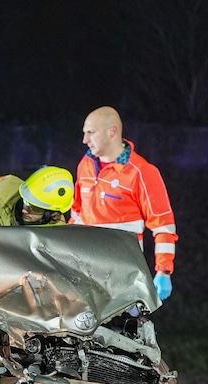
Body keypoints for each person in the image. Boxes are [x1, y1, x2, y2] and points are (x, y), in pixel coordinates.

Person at [71, 106, 177, 300]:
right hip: (85, 271)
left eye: (91, 133)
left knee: (122, 329)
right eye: (84, 133)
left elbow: (163, 225)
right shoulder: (84, 165)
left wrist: (163, 271)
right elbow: (76, 214)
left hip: (123, 276)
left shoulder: (142, 172)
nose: (84, 140)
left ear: (112, 131)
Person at [0, 166, 76, 226]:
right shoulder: (2, 189)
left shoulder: (56, 237)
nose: (24, 209)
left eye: (34, 208)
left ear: (53, 214)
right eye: (26, 201)